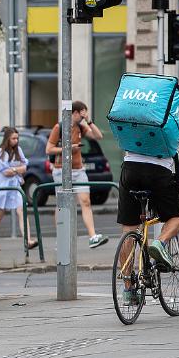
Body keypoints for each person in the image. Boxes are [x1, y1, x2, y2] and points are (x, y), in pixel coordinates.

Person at [116, 120, 179, 303]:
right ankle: (160, 243)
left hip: (129, 170)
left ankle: (128, 290)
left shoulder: (141, 118)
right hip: (159, 172)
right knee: (176, 217)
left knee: (129, 229)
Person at [45, 101, 109, 249]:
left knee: (86, 201)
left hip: (79, 170)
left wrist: (89, 121)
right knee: (62, 204)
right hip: (61, 169)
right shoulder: (59, 127)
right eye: (82, 114)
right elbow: (49, 149)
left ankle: (93, 236)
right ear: (74, 113)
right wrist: (68, 148)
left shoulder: (81, 126)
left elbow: (98, 136)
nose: (83, 117)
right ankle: (61, 239)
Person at [0, 127, 37, 251]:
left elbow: (25, 165)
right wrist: (18, 169)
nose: (16, 141)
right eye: (13, 138)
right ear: (7, 139)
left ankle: (27, 240)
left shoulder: (18, 150)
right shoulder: (0, 152)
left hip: (16, 186)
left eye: (17, 138)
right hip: (3, 186)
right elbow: (5, 172)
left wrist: (14, 169)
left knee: (22, 211)